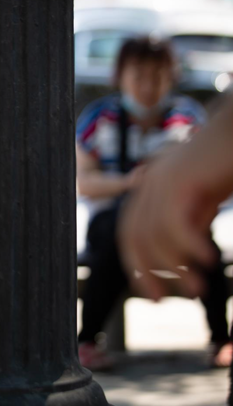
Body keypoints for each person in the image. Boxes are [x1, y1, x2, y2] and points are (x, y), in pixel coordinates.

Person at [75, 37, 232, 371]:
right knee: (117, 233)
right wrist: (131, 185)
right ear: (120, 76)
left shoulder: (188, 118)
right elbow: (83, 180)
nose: (148, 86)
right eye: (139, 76)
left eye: (157, 75)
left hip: (178, 223)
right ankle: (86, 341)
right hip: (109, 224)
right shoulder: (98, 118)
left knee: (207, 251)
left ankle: (222, 338)